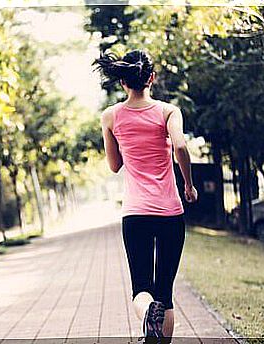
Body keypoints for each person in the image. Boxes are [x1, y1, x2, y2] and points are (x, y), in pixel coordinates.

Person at [93, 49, 198, 343]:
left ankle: (148, 310)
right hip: (170, 213)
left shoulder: (110, 116)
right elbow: (180, 147)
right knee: (165, 292)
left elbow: (114, 166)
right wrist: (188, 184)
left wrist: (128, 142)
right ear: (152, 78)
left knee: (141, 288)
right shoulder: (168, 111)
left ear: (124, 82)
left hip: (136, 213)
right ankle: (157, 310)